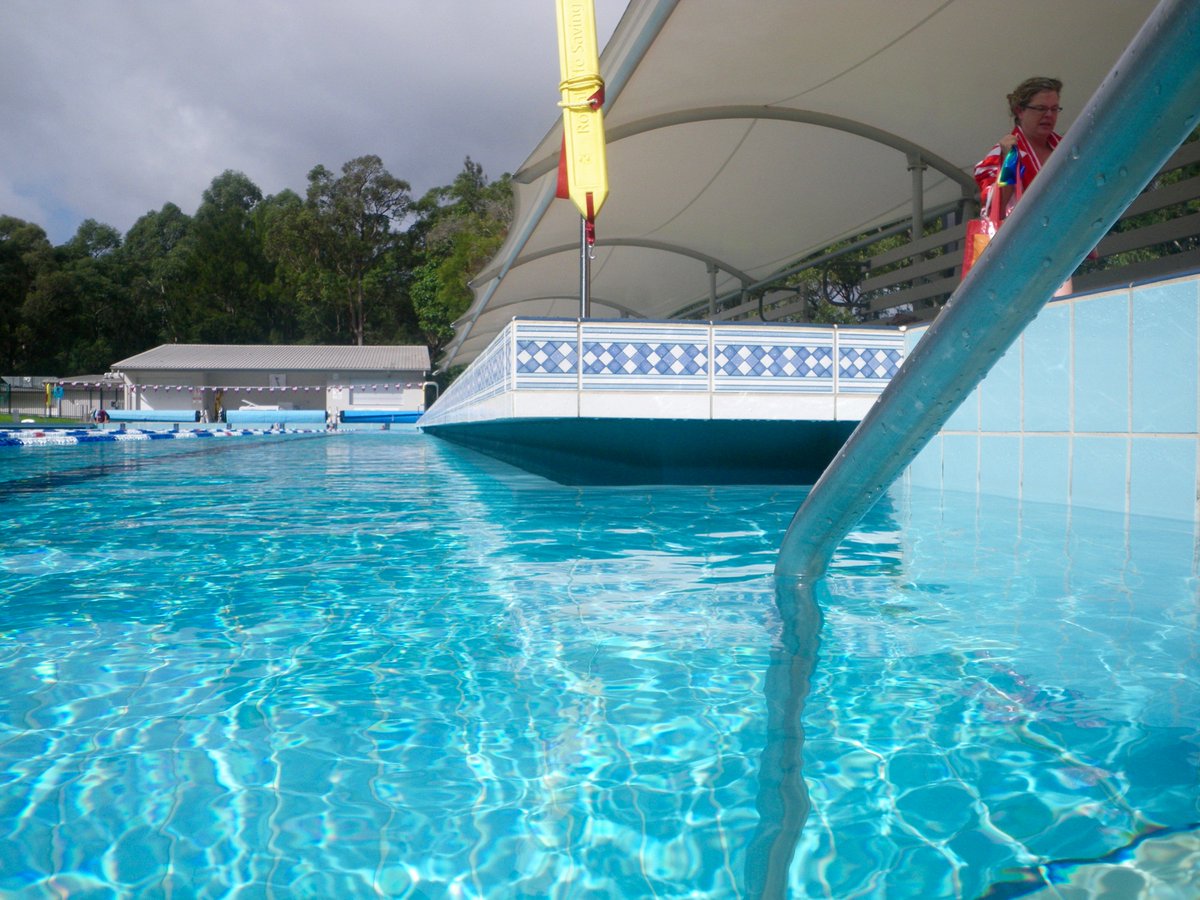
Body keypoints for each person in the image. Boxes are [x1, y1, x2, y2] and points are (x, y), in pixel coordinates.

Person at [974, 76, 1071, 293]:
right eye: (1040, 108)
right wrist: (1010, 161)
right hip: (1014, 251)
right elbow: (994, 210)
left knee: (1062, 311)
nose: (1049, 115)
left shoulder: (1067, 148)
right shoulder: (1001, 153)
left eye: (1055, 109)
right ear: (1020, 111)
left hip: (1057, 244)